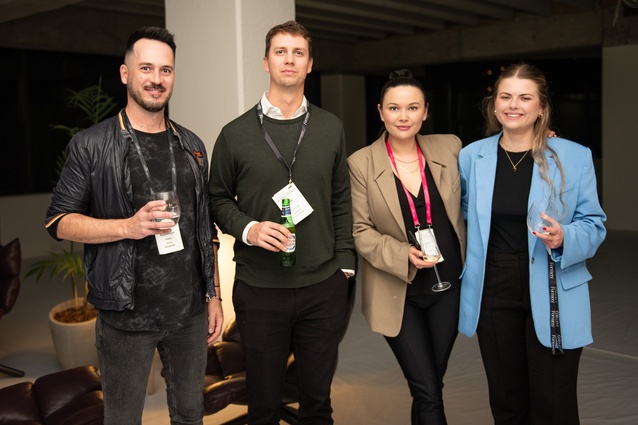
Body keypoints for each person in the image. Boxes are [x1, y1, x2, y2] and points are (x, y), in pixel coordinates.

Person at [44, 27, 223, 424]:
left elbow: (202, 227)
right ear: (125, 73)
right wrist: (127, 227)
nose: (156, 79)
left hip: (189, 313)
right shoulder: (92, 144)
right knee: (123, 418)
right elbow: (59, 222)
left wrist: (213, 296)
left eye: (166, 70)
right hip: (126, 315)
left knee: (191, 414)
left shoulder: (192, 146)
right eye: (146, 68)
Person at [208, 20, 356, 425]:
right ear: (266, 62)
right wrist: (249, 229)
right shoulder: (235, 133)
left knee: (318, 405)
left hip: (323, 287)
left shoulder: (330, 128)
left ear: (309, 64)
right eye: (281, 52)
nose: (289, 60)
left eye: (298, 53)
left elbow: (341, 199)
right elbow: (216, 200)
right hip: (260, 290)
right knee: (263, 407)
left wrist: (344, 265)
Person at [458, 63, 607, 424]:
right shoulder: (471, 157)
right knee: (507, 402)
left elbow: (594, 224)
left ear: (541, 107)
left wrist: (564, 236)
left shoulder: (573, 155)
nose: (514, 105)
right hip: (493, 286)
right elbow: (461, 216)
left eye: (525, 98)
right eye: (505, 97)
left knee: (552, 403)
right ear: (494, 105)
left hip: (553, 281)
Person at [348, 69, 465, 425]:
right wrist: (402, 254)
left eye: (412, 108)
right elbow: (360, 230)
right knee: (428, 390)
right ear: (380, 112)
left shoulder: (451, 147)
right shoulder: (361, 163)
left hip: (449, 290)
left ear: (425, 111)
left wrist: (543, 137)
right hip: (398, 292)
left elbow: (495, 155)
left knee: (429, 385)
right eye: (394, 108)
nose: (403, 116)